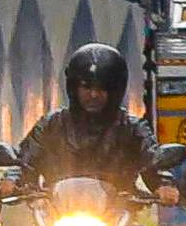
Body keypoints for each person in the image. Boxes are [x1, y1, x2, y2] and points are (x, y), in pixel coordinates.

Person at [14, 43, 152, 190]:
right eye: (86, 87)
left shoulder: (132, 128)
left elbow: (153, 160)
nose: (94, 94)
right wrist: (12, 179)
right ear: (74, 88)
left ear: (115, 91)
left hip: (119, 203)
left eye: (102, 88)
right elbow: (25, 161)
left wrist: (163, 184)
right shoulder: (51, 124)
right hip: (58, 203)